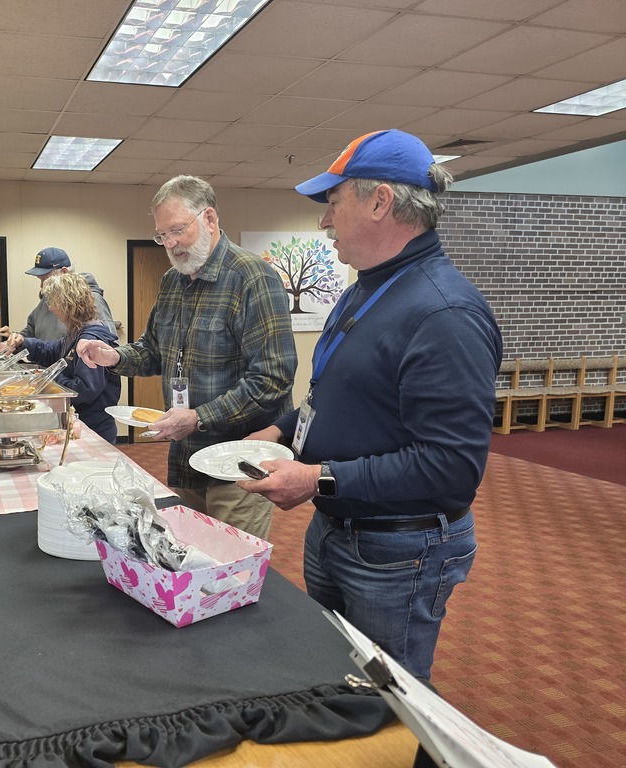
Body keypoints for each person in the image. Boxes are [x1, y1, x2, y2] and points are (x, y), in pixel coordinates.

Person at [237, 129, 503, 681]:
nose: (324, 220)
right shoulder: (367, 288)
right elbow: (335, 396)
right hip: (337, 528)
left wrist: (318, 478)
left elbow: (451, 467)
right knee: (335, 677)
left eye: (333, 202)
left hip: (399, 548)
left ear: (380, 201)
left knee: (390, 697)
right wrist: (279, 431)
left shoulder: (444, 314)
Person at [77, 175, 296, 539]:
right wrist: (113, 356)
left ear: (209, 219)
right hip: (186, 458)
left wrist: (198, 418)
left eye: (177, 230)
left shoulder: (252, 278)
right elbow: (152, 351)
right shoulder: (172, 281)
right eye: (162, 236)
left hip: (236, 463)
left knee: (231, 560)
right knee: (192, 554)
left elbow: (273, 378)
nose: (170, 244)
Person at [4, 272, 121, 444]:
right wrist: (23, 342)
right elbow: (52, 350)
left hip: (93, 428)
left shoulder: (90, 340)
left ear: (68, 304)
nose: (51, 308)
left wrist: (47, 379)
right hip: (80, 423)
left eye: (53, 302)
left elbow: (83, 390)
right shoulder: (76, 333)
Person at [0, 246, 115, 343]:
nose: (42, 286)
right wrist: (15, 338)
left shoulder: (92, 299)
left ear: (64, 272)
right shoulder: (47, 300)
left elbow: (109, 343)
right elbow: (32, 330)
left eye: (45, 279)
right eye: (40, 280)